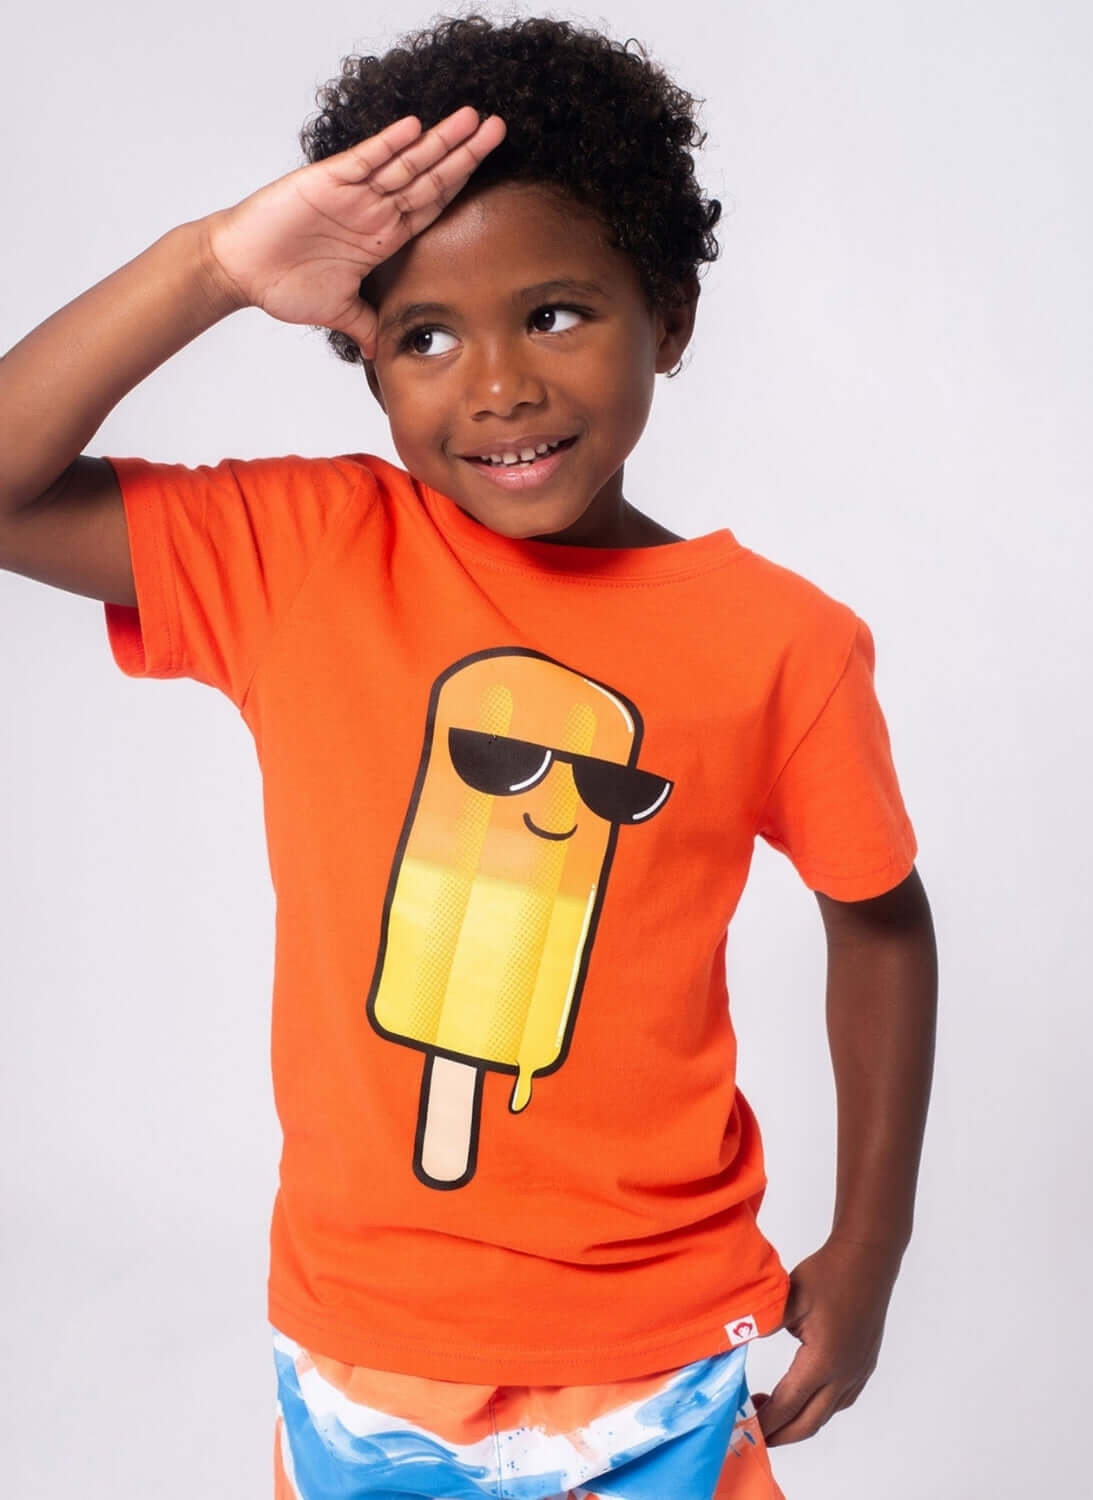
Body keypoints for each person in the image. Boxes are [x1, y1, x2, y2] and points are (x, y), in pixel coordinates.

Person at [0, 13, 937, 1499]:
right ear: (364, 364)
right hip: (373, 1356)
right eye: (424, 338)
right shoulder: (307, 553)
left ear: (671, 317)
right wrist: (210, 268)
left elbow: (879, 916)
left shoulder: (782, 642)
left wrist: (871, 1244)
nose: (494, 384)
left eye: (556, 313)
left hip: (666, 1350)